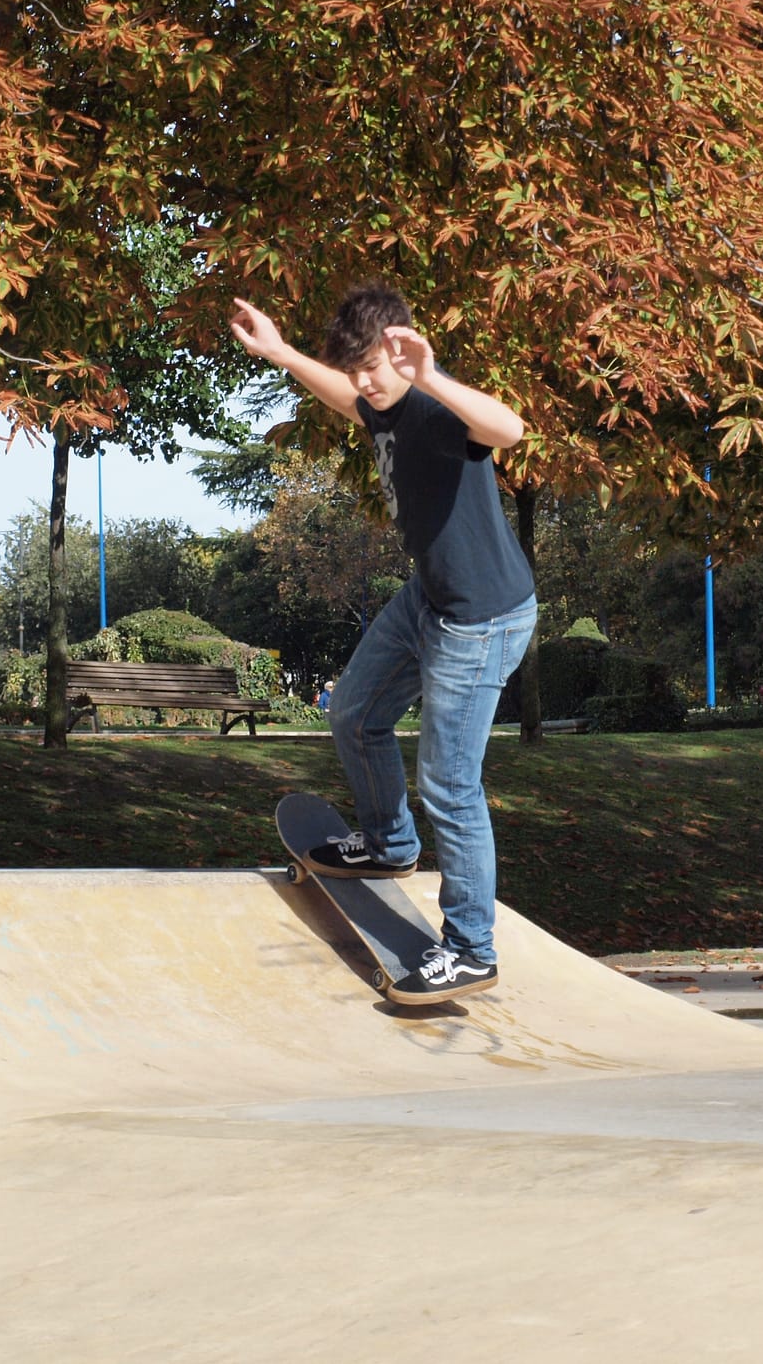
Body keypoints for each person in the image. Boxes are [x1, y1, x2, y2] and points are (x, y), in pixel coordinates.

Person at [229, 283, 537, 1004]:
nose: (365, 384)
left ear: (402, 349)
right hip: (428, 597)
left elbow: (510, 429)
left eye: (374, 367)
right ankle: (389, 844)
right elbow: (346, 398)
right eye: (357, 370)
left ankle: (471, 950)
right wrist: (280, 352)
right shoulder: (381, 401)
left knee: (450, 784)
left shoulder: (433, 408)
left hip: (482, 620)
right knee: (354, 712)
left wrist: (431, 376)